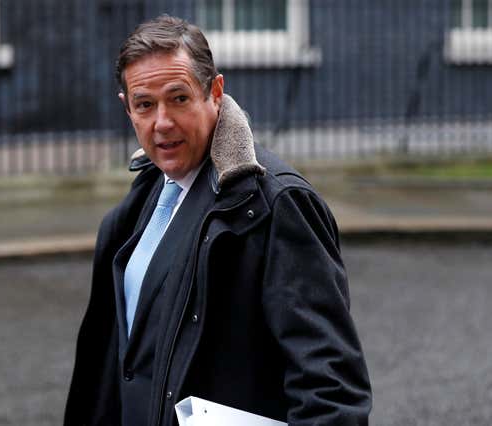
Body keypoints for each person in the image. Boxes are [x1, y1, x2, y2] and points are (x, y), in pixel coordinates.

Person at [65, 15, 371, 426]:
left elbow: (331, 389)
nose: (162, 123)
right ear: (128, 109)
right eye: (145, 105)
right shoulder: (143, 198)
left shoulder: (277, 205)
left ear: (215, 92)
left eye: (178, 98)